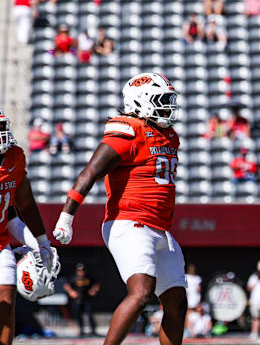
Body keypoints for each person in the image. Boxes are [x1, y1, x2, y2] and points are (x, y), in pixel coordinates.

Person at [52, 73, 187, 345]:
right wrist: (66, 217)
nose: (168, 106)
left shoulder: (168, 135)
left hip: (160, 227)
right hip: (130, 222)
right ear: (141, 102)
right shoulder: (128, 130)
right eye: (162, 100)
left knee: (177, 303)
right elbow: (89, 173)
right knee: (140, 294)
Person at [0, 110, 57, 345]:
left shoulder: (14, 157)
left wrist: (40, 244)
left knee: (7, 297)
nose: (3, 133)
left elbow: (22, 207)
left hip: (1, 240)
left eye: (3, 126)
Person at [64, 263, 100, 337]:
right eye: (79, 270)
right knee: (78, 315)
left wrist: (93, 290)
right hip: (77, 300)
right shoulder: (73, 278)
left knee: (89, 314)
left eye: (82, 270)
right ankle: (81, 330)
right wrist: (71, 292)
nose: (81, 272)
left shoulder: (88, 277)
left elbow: (96, 284)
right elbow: (66, 285)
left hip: (87, 299)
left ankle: (93, 331)